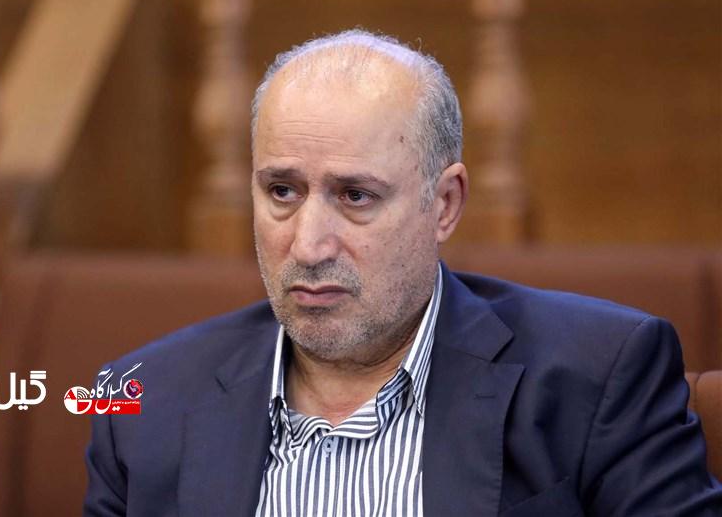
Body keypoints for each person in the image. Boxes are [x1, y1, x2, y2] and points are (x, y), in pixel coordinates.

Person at [83, 29, 721, 517]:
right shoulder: (142, 405)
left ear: (444, 205)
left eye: (355, 196)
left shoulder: (599, 375)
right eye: (281, 191)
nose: (307, 244)